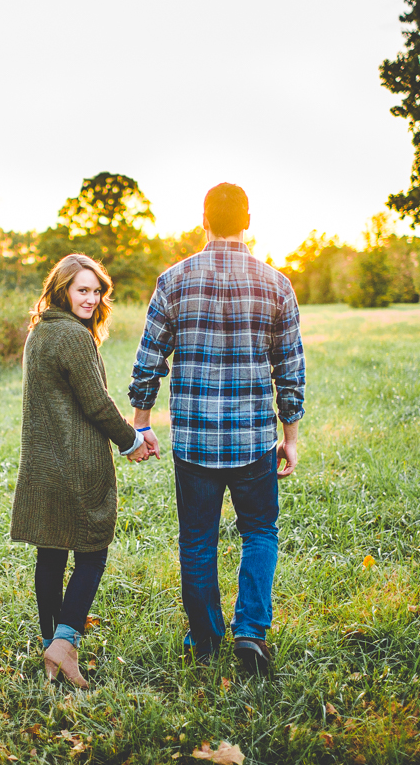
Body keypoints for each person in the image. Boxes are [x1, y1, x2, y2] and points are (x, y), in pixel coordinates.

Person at [127, 183, 305, 675]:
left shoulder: (173, 280)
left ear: (203, 218)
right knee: (260, 533)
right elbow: (289, 369)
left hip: (196, 442)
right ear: (247, 220)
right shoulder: (276, 284)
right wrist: (289, 436)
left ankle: (205, 636)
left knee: (198, 540)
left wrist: (142, 424)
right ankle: (250, 632)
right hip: (253, 441)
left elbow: (148, 360)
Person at [11, 253, 153, 688]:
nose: (91, 298)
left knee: (51, 553)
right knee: (93, 551)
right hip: (76, 463)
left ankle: (51, 646)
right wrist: (132, 440)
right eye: (82, 290)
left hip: (42, 463)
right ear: (62, 290)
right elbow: (97, 403)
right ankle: (64, 641)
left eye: (96, 291)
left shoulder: (40, 331)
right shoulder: (73, 336)